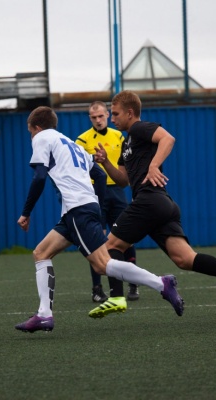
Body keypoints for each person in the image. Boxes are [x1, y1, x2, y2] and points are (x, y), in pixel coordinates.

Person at [14, 106, 185, 333]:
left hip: (78, 209)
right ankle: (44, 315)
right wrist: (97, 206)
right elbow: (99, 175)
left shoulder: (42, 137)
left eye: (30, 132)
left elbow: (39, 177)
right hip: (78, 209)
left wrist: (26, 212)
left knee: (102, 265)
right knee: (41, 253)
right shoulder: (70, 143)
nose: (31, 136)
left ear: (36, 127)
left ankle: (161, 283)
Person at [91, 90, 216, 317]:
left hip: (149, 200)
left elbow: (168, 139)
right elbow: (123, 180)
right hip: (161, 204)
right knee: (185, 259)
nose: (112, 119)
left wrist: (154, 166)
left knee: (110, 246)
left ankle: (117, 297)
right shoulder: (127, 141)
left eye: (116, 114)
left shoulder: (139, 128)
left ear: (130, 113)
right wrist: (105, 163)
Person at [76, 101, 139, 303]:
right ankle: (97, 288)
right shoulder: (82, 140)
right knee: (96, 239)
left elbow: (128, 163)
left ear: (107, 115)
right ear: (90, 118)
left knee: (126, 236)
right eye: (94, 117)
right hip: (95, 193)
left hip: (117, 192)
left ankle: (133, 284)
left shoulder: (119, 136)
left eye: (101, 116)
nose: (98, 120)